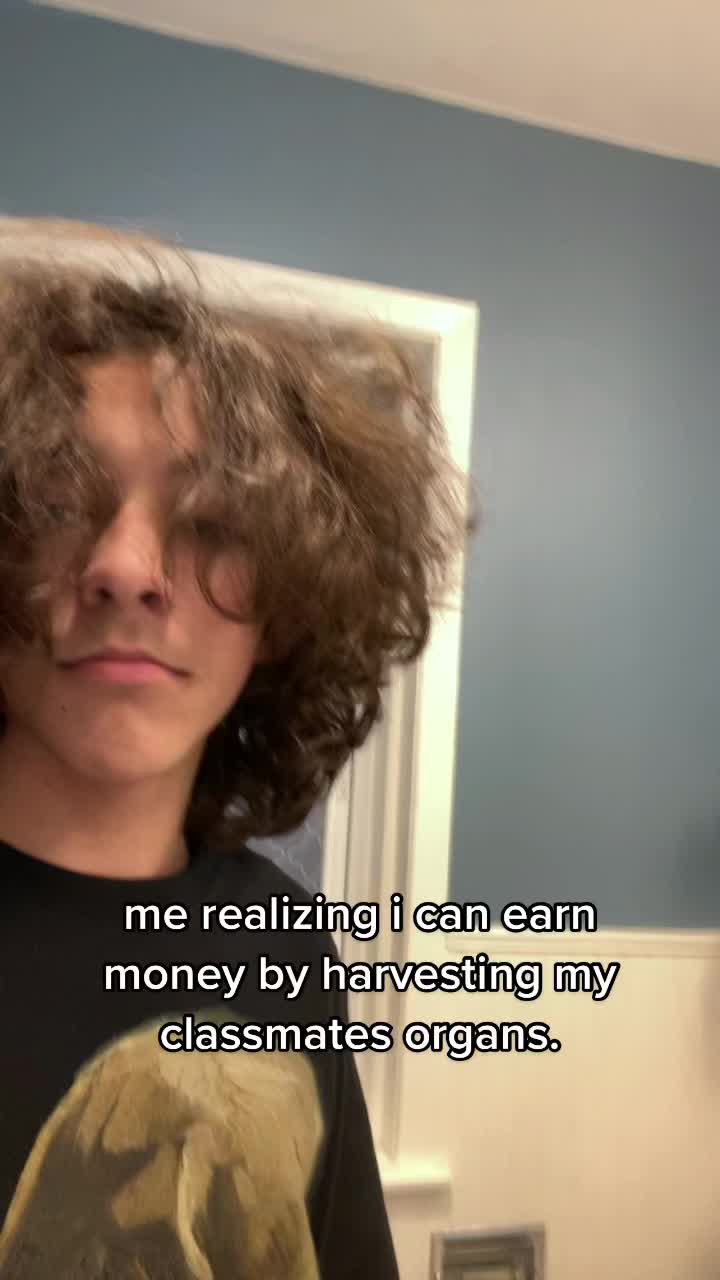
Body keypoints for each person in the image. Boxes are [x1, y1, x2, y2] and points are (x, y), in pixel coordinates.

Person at [0, 219, 476, 1278]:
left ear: (287, 606)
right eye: (61, 500)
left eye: (212, 520)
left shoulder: (281, 943)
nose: (129, 569)